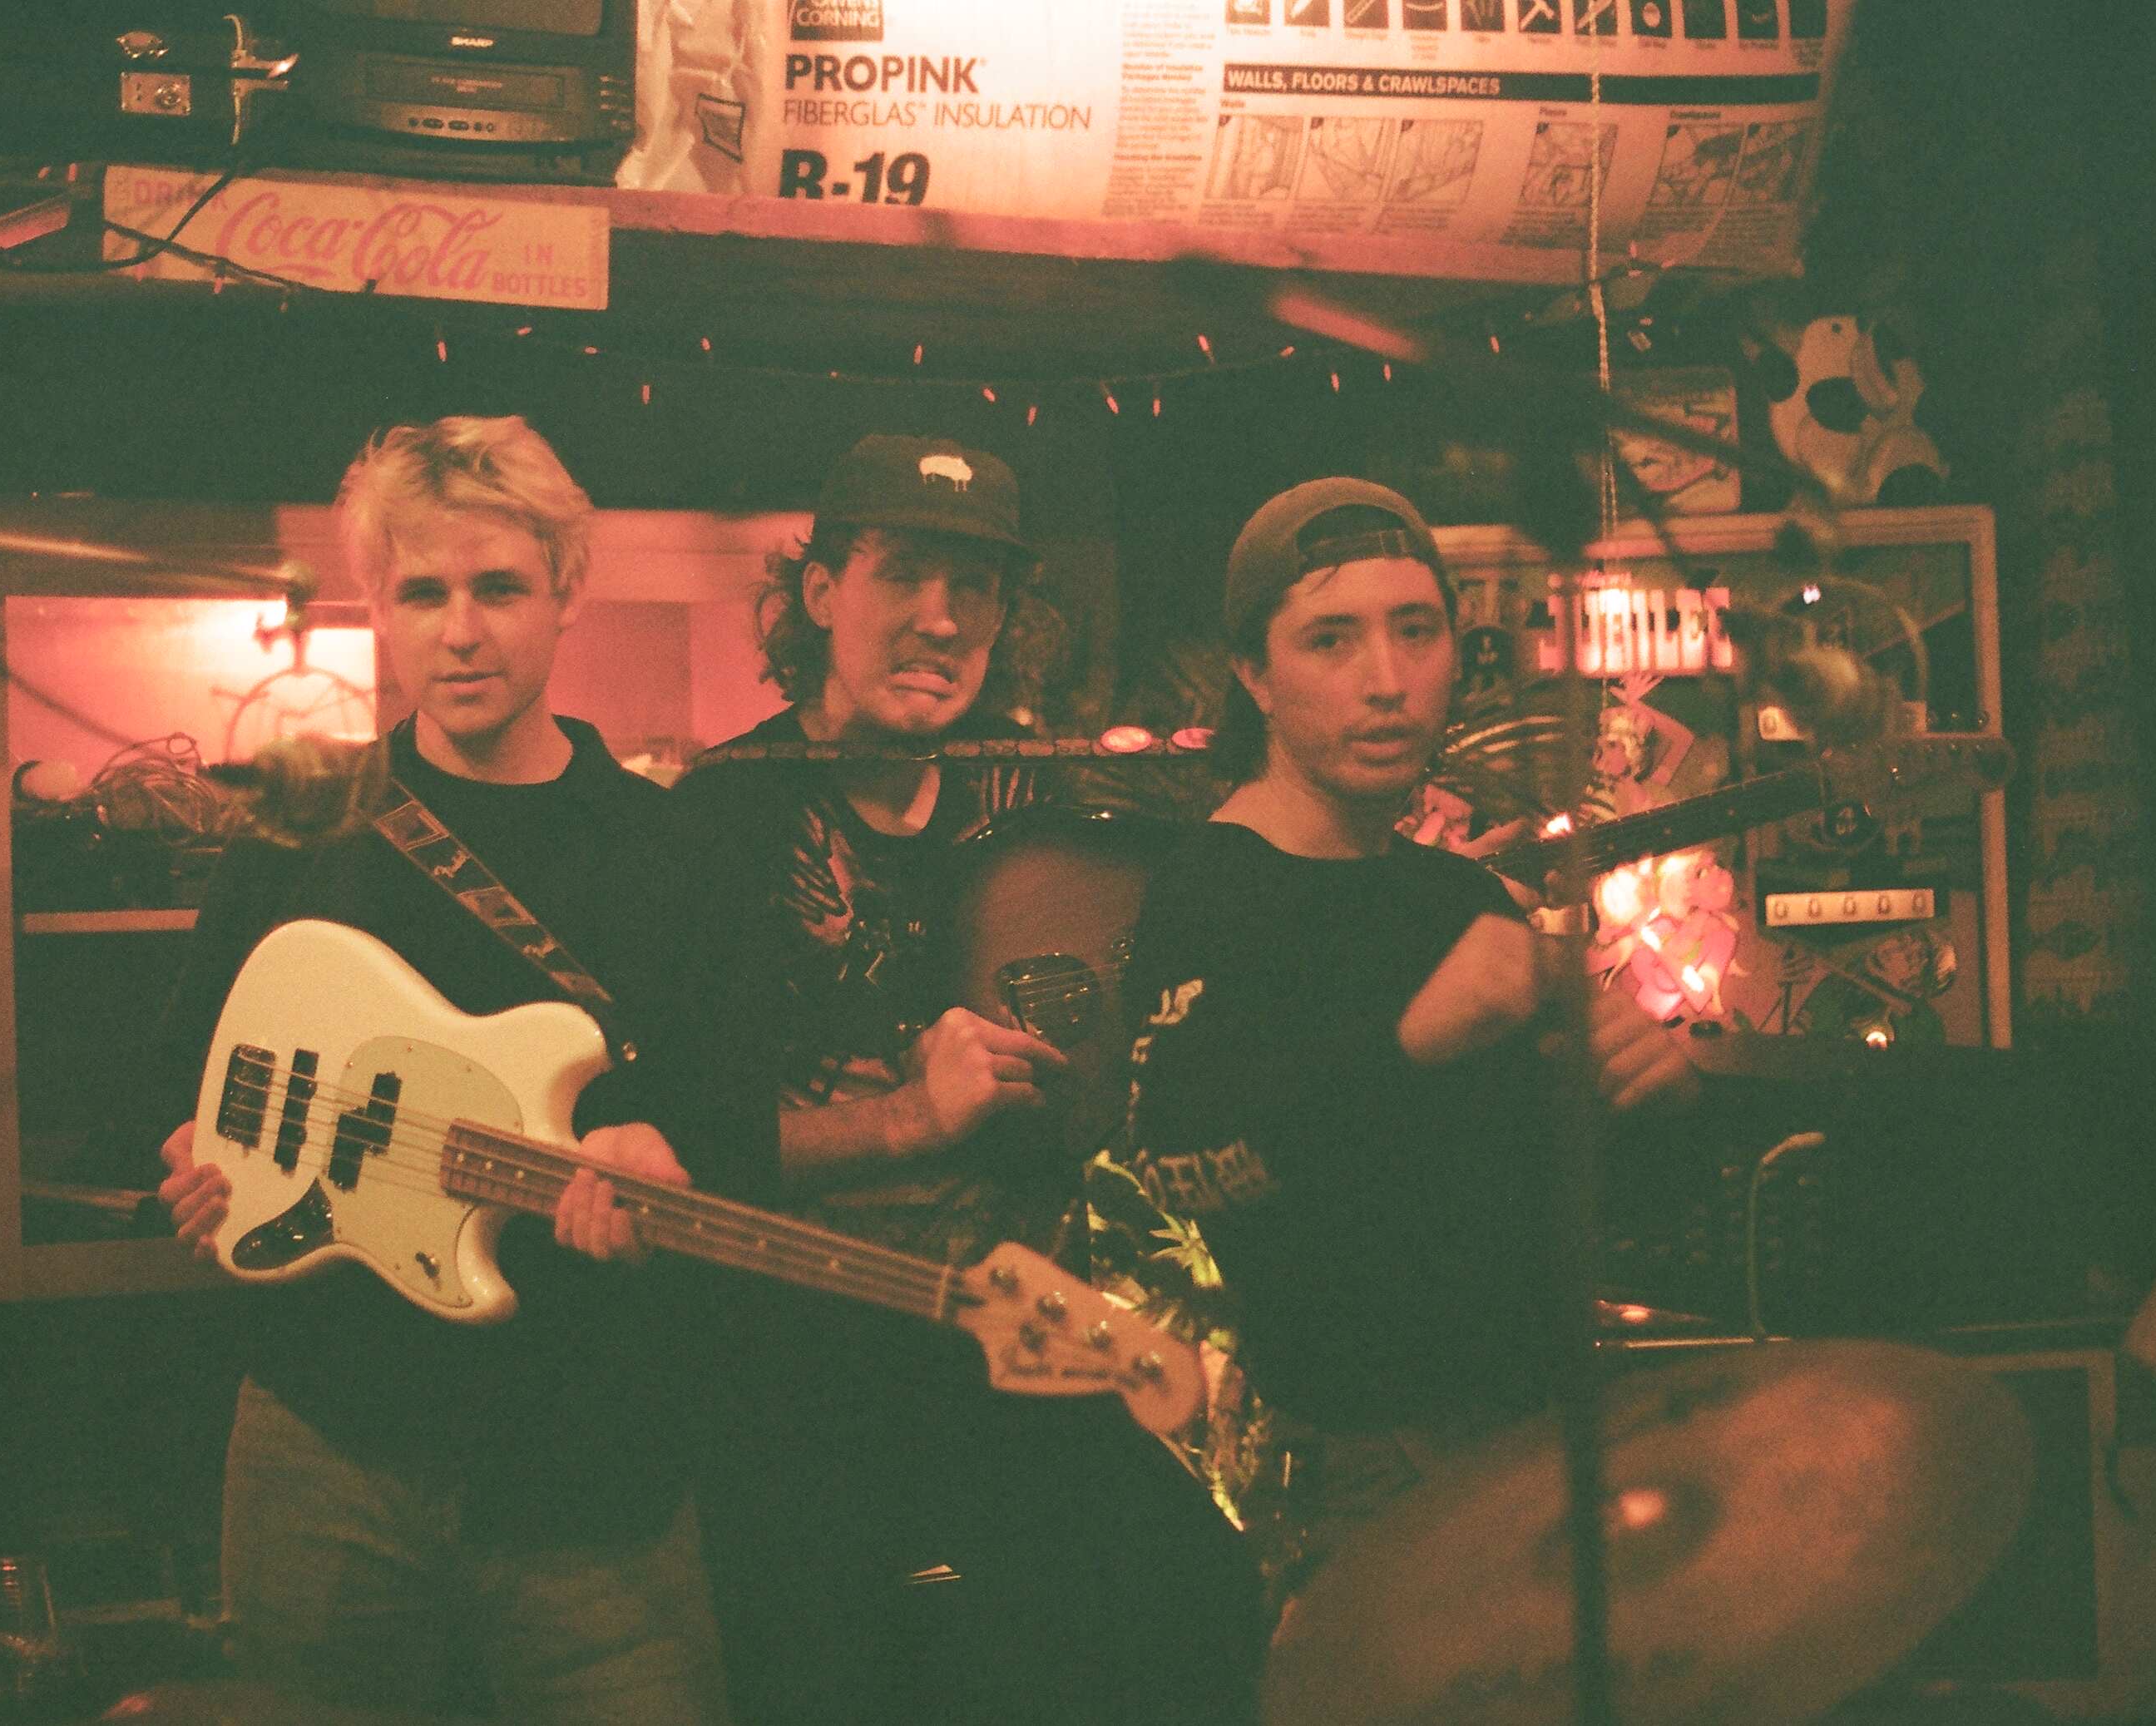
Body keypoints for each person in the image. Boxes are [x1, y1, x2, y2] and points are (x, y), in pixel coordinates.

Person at [146, 414, 755, 1722]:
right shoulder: (301, 827)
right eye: (423, 593)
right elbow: (185, 1079)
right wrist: (197, 1164)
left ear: (566, 590)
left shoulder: (675, 853)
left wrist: (668, 1166)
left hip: (591, 1467)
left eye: (498, 588)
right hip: (328, 1448)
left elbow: (738, 1120)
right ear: (379, 605)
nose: (460, 632)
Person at [671, 434, 1257, 1724]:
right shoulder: (720, 819)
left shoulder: (1040, 801)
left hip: (1030, 1394)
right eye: (903, 573)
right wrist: (904, 1119)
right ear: (819, 590)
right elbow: (681, 1154)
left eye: (974, 587)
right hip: (799, 1410)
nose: (940, 620)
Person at [1117, 477, 1702, 1619]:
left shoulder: (1451, 895)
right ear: (1254, 676)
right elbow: (1184, 1166)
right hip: (1356, 1475)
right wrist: (1410, 1045)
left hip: (1542, 1440)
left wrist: (1655, 1093)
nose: (1385, 680)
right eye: (1330, 639)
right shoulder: (1210, 893)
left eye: (1415, 630)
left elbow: (1566, 1204)